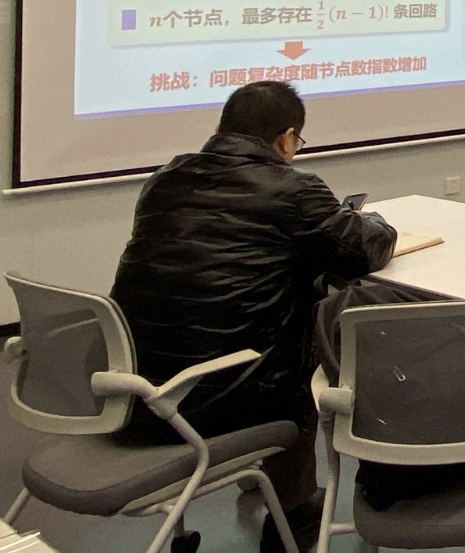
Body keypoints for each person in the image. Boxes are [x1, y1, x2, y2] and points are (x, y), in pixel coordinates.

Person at [111, 81, 396, 553]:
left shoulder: (166, 179)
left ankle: (263, 478)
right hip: (221, 400)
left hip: (136, 389)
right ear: (286, 138)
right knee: (308, 343)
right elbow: (361, 250)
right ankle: (293, 512)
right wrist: (377, 222)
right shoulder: (294, 188)